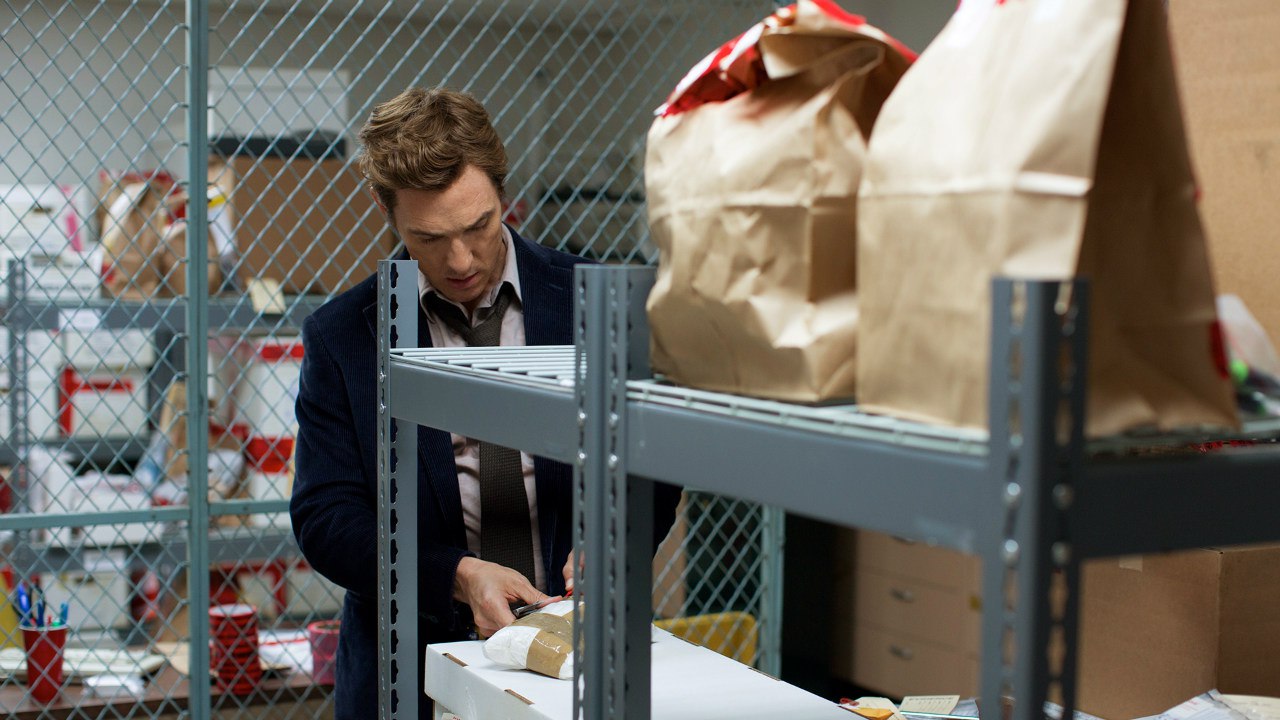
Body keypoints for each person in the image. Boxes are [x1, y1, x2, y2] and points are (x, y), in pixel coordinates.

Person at [290, 86, 680, 719]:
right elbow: (326, 518)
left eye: (478, 226)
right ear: (387, 212)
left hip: (576, 651)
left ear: (503, 192)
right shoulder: (343, 336)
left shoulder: (596, 302)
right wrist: (457, 574)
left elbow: (651, 467)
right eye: (429, 238)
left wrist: (614, 540)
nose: (461, 260)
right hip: (410, 669)